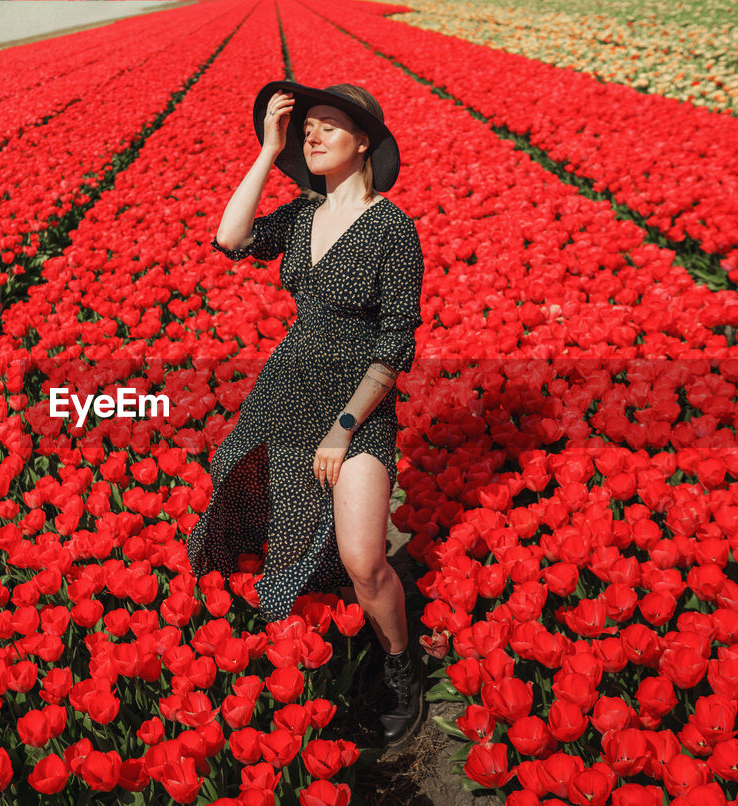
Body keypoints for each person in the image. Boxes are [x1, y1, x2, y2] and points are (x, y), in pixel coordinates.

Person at [185, 80, 427, 746]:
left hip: (356, 405)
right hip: (287, 388)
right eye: (307, 127)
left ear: (364, 142)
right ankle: (290, 637)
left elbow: (396, 340)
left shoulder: (391, 228)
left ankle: (403, 670)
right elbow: (229, 238)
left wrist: (345, 429)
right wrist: (267, 151)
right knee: (247, 496)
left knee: (366, 561)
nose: (312, 135)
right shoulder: (301, 215)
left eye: (328, 126)